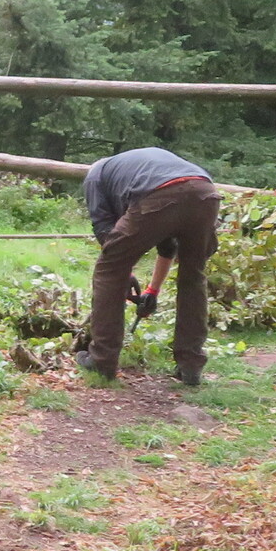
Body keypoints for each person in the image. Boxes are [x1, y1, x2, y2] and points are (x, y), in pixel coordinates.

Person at [80, 145, 220, 386]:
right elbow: (167, 245)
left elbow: (105, 232)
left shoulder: (95, 175)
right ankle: (190, 365)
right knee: (193, 276)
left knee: (108, 270)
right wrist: (151, 291)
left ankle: (102, 361)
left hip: (159, 193)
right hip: (205, 192)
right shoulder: (137, 169)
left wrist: (123, 273)